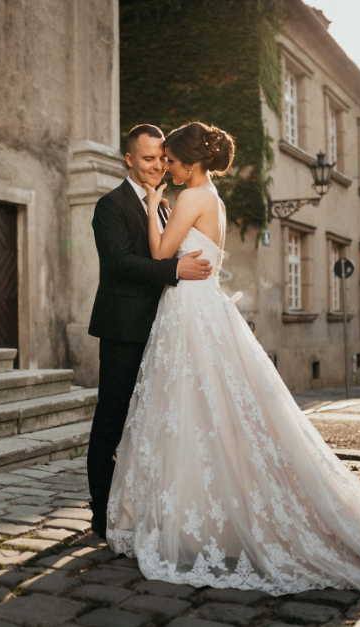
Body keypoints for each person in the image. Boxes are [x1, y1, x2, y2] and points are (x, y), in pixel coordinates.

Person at [105, 121, 360, 595]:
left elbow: (162, 251)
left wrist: (155, 206)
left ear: (192, 162)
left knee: (191, 412)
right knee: (213, 414)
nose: (169, 169)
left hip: (188, 313)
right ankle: (207, 516)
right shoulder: (216, 200)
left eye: (175, 162)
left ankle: (192, 520)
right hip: (204, 309)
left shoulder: (187, 198)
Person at [86, 124, 214, 540]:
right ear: (129, 160)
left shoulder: (164, 204)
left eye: (162, 158)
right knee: (112, 420)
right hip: (124, 329)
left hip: (164, 332)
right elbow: (120, 262)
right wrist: (175, 269)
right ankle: (101, 515)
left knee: (152, 424)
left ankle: (141, 509)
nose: (158, 165)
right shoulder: (110, 205)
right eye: (147, 158)